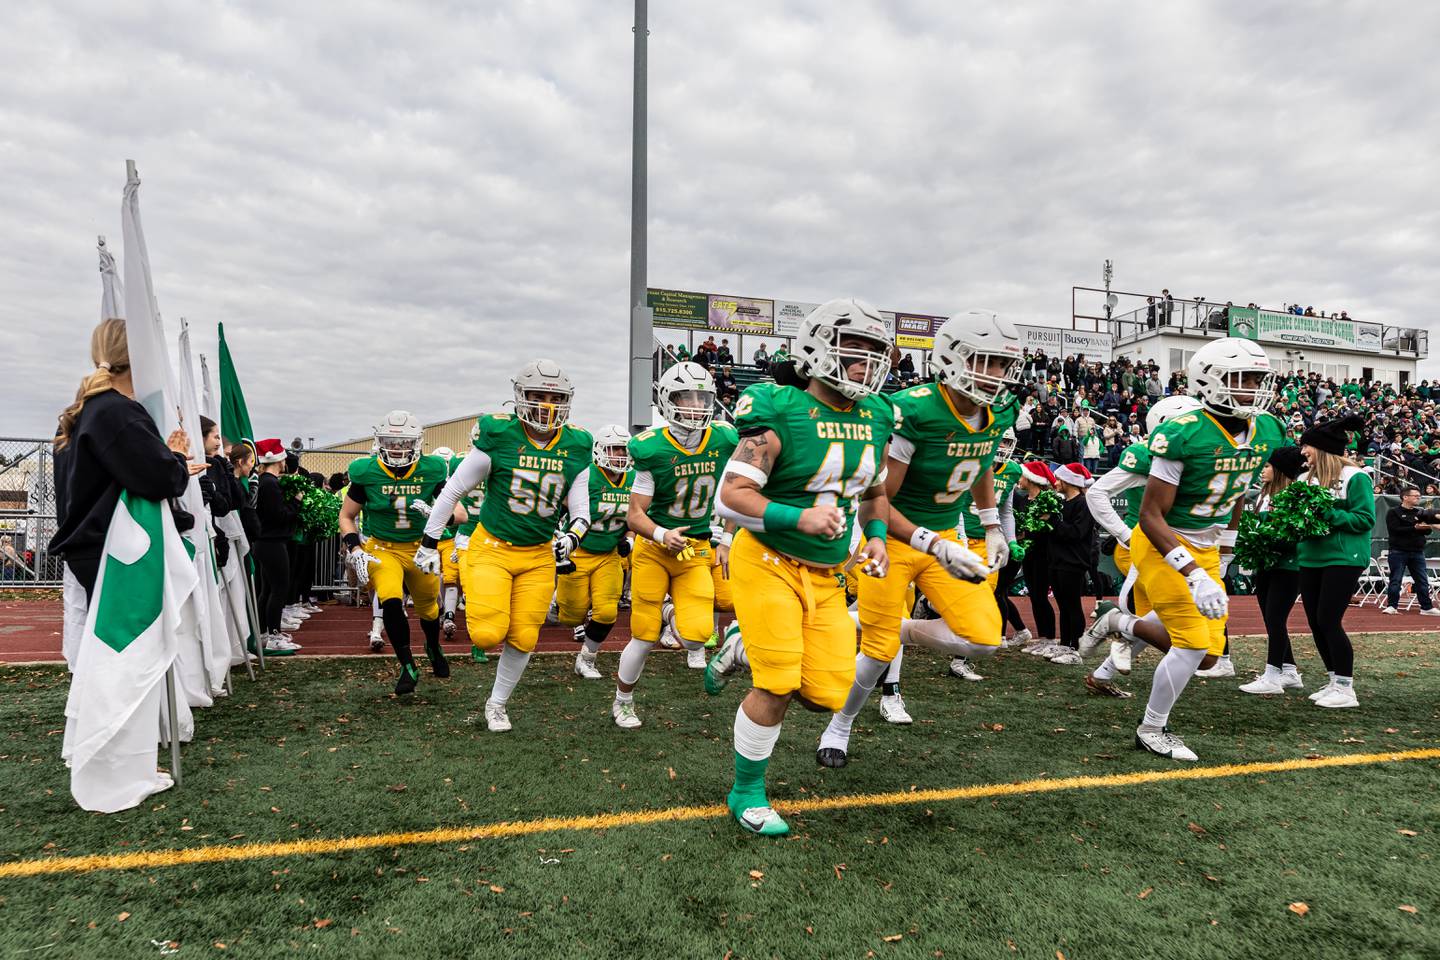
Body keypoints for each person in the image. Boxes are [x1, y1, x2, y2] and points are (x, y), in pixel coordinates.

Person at [705, 298, 895, 837]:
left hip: (826, 575)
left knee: (828, 694)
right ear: (816, 346)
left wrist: (877, 538)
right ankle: (746, 793)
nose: (866, 359)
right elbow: (730, 497)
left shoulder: (877, 416)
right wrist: (800, 517)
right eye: (854, 345)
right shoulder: (780, 409)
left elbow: (876, 492)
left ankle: (742, 644)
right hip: (767, 561)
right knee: (779, 681)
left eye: (875, 349)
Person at [817, 310, 1021, 746]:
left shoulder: (1000, 410)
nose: (997, 375)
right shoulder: (915, 410)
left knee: (984, 639)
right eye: (987, 361)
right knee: (876, 653)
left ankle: (894, 626)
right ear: (953, 358)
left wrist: (990, 524)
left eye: (1003, 364)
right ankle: (840, 725)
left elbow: (982, 459)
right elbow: (879, 500)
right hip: (888, 537)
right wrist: (927, 540)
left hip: (945, 535)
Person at [1122, 339, 1284, 760]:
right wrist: (1193, 573)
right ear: (1207, 380)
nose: (1251, 387)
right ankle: (1152, 729)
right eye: (1241, 378)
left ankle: (1120, 624)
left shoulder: (1266, 428)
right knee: (1193, 643)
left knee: (1211, 657)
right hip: (1165, 542)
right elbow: (1151, 516)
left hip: (1207, 545)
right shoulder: (1182, 431)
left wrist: (1222, 554)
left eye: (1256, 378)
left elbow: (1237, 494)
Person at [416, 360, 592, 731]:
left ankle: (497, 703)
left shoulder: (577, 445)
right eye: (538, 396)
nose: (546, 406)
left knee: (526, 635)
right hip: (492, 548)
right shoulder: (499, 435)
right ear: (520, 397)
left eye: (555, 397)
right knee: (486, 634)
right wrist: (430, 542)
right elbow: (453, 491)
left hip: (539, 554)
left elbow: (580, 509)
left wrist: (572, 537)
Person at [617, 363, 738, 726]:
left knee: (697, 637)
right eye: (687, 398)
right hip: (656, 549)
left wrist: (728, 538)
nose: (696, 407)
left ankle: (670, 613)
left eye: (703, 399)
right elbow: (635, 514)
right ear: (668, 401)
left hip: (694, 550)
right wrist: (660, 534)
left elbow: (735, 491)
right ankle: (623, 700)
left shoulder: (723, 439)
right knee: (643, 634)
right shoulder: (651, 447)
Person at [1082, 396, 1203, 696]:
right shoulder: (1147, 455)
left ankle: (1103, 673)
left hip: (1176, 545)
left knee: (1155, 623)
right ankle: (1115, 623)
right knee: (1159, 620)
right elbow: (1097, 493)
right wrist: (1126, 535)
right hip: (1150, 545)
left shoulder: (1196, 454)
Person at [339, 413, 456, 692]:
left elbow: (459, 513)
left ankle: (432, 645)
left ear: (416, 443)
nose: (396, 447)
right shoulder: (366, 471)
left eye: (403, 442)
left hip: (420, 547)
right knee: (390, 601)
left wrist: (436, 514)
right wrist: (355, 548)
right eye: (391, 442)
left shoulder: (433, 469)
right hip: (383, 548)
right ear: (380, 442)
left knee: (429, 608)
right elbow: (346, 516)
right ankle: (407, 665)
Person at [1296, 415, 1376, 708]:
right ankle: (1333, 680)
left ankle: (1346, 688)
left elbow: (1365, 519)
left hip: (1343, 557)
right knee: (1316, 622)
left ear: (1323, 448)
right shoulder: (1305, 479)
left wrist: (1327, 513)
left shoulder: (1356, 477)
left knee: (1329, 619)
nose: (1303, 451)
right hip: (1310, 557)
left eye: (1307, 446)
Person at [557, 425, 635, 680]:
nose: (621, 455)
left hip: (608, 555)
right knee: (571, 616)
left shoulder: (633, 480)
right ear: (601, 450)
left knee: (607, 612)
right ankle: (554, 605)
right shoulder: (586, 476)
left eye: (624, 449)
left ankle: (587, 658)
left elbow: (637, 517)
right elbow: (559, 508)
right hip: (579, 553)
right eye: (615, 449)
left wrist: (630, 539)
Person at [950, 428, 1024, 680]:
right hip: (957, 534)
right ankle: (929, 606)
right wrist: (959, 538)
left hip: (988, 541)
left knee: (983, 596)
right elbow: (955, 503)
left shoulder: (1013, 471)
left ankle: (961, 659)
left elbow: (1006, 511)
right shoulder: (971, 461)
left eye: (1007, 441)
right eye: (1000, 440)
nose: (1003, 446)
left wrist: (1011, 541)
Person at [1238, 447, 1309, 694]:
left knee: (1276, 618)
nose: (1263, 470)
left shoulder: (1294, 496)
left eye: (1267, 466)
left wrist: (1271, 542)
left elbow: (1294, 535)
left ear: (1280, 471)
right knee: (1271, 619)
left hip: (1289, 567)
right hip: (1267, 565)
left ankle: (1272, 677)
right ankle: (1289, 672)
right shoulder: (1263, 495)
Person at [253, 438, 304, 653]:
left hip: (266, 542)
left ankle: (266, 632)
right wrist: (296, 502)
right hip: (272, 542)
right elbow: (278, 516)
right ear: (278, 459)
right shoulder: (270, 484)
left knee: (268, 589)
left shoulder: (265, 482)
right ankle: (273, 635)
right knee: (278, 588)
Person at [1048, 463, 1096, 657]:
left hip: (1073, 562)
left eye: (1059, 479)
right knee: (1062, 604)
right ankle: (1064, 642)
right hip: (1058, 561)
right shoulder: (1061, 503)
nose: (1056, 483)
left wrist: (1053, 521)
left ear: (1069, 481)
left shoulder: (1084, 503)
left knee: (1072, 604)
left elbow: (1076, 533)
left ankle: (1075, 647)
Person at [1016, 460, 1059, 649]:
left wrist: (1026, 532)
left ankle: (1049, 638)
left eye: (1023, 475)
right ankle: (1042, 638)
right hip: (1029, 553)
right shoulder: (1024, 500)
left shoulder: (1047, 499)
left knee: (1041, 596)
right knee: (1034, 596)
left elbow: (1046, 528)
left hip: (1044, 554)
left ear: (1031, 479)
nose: (1020, 479)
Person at [1382, 485, 1440, 615]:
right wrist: (1415, 528)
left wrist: (1424, 527)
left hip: (1417, 551)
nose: (1418, 498)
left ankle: (1426, 607)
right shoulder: (1393, 512)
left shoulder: (1420, 512)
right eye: (1415, 496)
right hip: (1398, 551)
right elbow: (1394, 530)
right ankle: (1392, 606)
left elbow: (1429, 530)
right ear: (1405, 497)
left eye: (1419, 496)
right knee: (1395, 579)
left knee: (1422, 580)